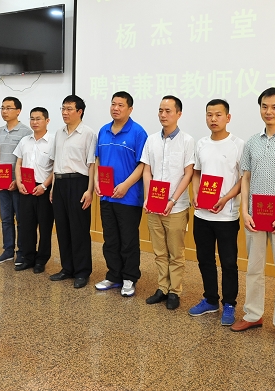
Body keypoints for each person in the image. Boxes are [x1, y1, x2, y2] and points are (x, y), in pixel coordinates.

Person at [230, 87, 275, 349]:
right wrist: (245, 211)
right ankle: (253, 315)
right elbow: (245, 178)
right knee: (253, 269)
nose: (268, 111)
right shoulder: (252, 142)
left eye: (274, 107)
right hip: (255, 218)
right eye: (264, 106)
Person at [188, 99, 244, 326]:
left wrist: (226, 198)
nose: (213, 119)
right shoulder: (201, 143)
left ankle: (229, 303)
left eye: (218, 115)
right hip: (202, 214)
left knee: (229, 262)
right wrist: (195, 193)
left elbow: (243, 179)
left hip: (226, 215)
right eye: (209, 115)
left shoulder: (238, 144)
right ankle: (210, 299)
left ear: (228, 118)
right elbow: (196, 173)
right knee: (205, 259)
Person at [141, 95, 195, 310]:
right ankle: (162, 287)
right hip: (154, 205)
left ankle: (175, 291)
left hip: (176, 207)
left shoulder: (187, 141)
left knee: (176, 252)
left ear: (178, 114)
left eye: (168, 111)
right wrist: (147, 197)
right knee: (159, 251)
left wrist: (172, 200)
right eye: (160, 110)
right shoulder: (151, 140)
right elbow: (147, 170)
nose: (163, 115)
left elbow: (188, 173)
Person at [93, 91, 148, 297]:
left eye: (121, 105)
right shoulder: (103, 130)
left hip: (129, 197)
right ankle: (113, 275)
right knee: (110, 239)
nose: (116, 108)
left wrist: (125, 185)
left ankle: (129, 278)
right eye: (113, 104)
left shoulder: (138, 132)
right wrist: (97, 181)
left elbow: (143, 165)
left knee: (128, 240)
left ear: (130, 109)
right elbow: (98, 159)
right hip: (107, 195)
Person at [49, 95, 96, 289]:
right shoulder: (59, 133)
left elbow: (92, 165)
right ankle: (67, 268)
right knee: (62, 228)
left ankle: (82, 271)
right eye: (63, 108)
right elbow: (55, 163)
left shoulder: (88, 133)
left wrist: (90, 190)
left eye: (69, 109)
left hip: (79, 183)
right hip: (60, 183)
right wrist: (53, 187)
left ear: (79, 111)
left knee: (79, 229)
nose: (65, 112)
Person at [0, 97, 33, 265]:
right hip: (2, 183)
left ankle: (21, 252)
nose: (4, 111)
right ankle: (8, 250)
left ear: (18, 111)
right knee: (6, 218)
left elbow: (26, 159)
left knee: (21, 220)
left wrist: (18, 181)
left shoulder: (26, 132)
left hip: (18, 184)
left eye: (8, 108)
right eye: (2, 108)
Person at [13, 107, 54, 274]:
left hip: (44, 188)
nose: (34, 122)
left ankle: (41, 260)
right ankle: (28, 258)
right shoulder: (25, 141)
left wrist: (44, 186)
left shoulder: (53, 141)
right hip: (26, 188)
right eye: (32, 119)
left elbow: (56, 167)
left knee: (45, 227)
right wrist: (19, 182)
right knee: (26, 225)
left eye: (38, 119)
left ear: (47, 121)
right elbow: (18, 163)